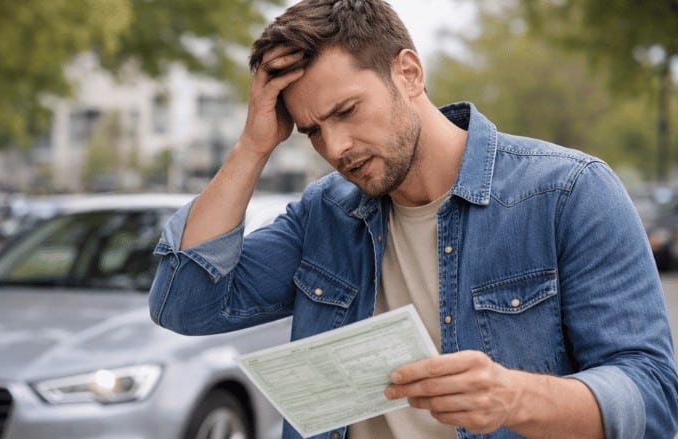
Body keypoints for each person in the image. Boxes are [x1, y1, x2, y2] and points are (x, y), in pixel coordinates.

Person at [148, 0, 678, 437]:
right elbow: (184, 305)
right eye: (312, 131)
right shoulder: (325, 214)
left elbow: (653, 398)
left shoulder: (569, 193)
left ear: (408, 73)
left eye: (346, 111)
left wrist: (515, 397)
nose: (335, 148)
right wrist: (253, 145)